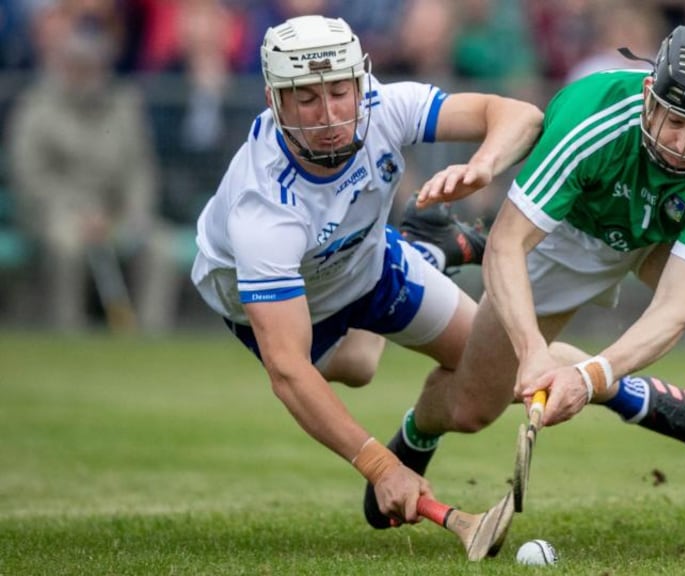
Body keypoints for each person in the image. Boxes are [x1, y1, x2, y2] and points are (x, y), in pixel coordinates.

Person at [411, 24, 685, 554]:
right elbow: (508, 244)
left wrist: (590, 377)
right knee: (471, 409)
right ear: (649, 97)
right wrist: (531, 351)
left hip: (662, 234)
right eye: (676, 121)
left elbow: (676, 310)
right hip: (567, 231)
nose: (683, 145)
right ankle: (415, 434)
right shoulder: (594, 118)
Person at [190, 14, 539, 525]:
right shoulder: (264, 210)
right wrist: (380, 466)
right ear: (274, 100)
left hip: (370, 263)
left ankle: (629, 393)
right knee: (357, 367)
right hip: (296, 298)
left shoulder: (382, 106)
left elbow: (519, 114)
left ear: (359, 82)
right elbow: (288, 371)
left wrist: (482, 165)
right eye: (307, 98)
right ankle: (426, 251)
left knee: (491, 375)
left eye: (339, 92)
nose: (330, 115)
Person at [7, 8, 178, 333]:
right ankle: (68, 333)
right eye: (79, 66)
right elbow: (29, 176)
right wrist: (78, 213)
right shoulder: (37, 107)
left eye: (94, 66)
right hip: (58, 215)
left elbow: (140, 170)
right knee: (66, 245)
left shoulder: (125, 104)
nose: (88, 74)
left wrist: (133, 214)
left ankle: (153, 339)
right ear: (65, 66)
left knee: (160, 246)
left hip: (115, 214)